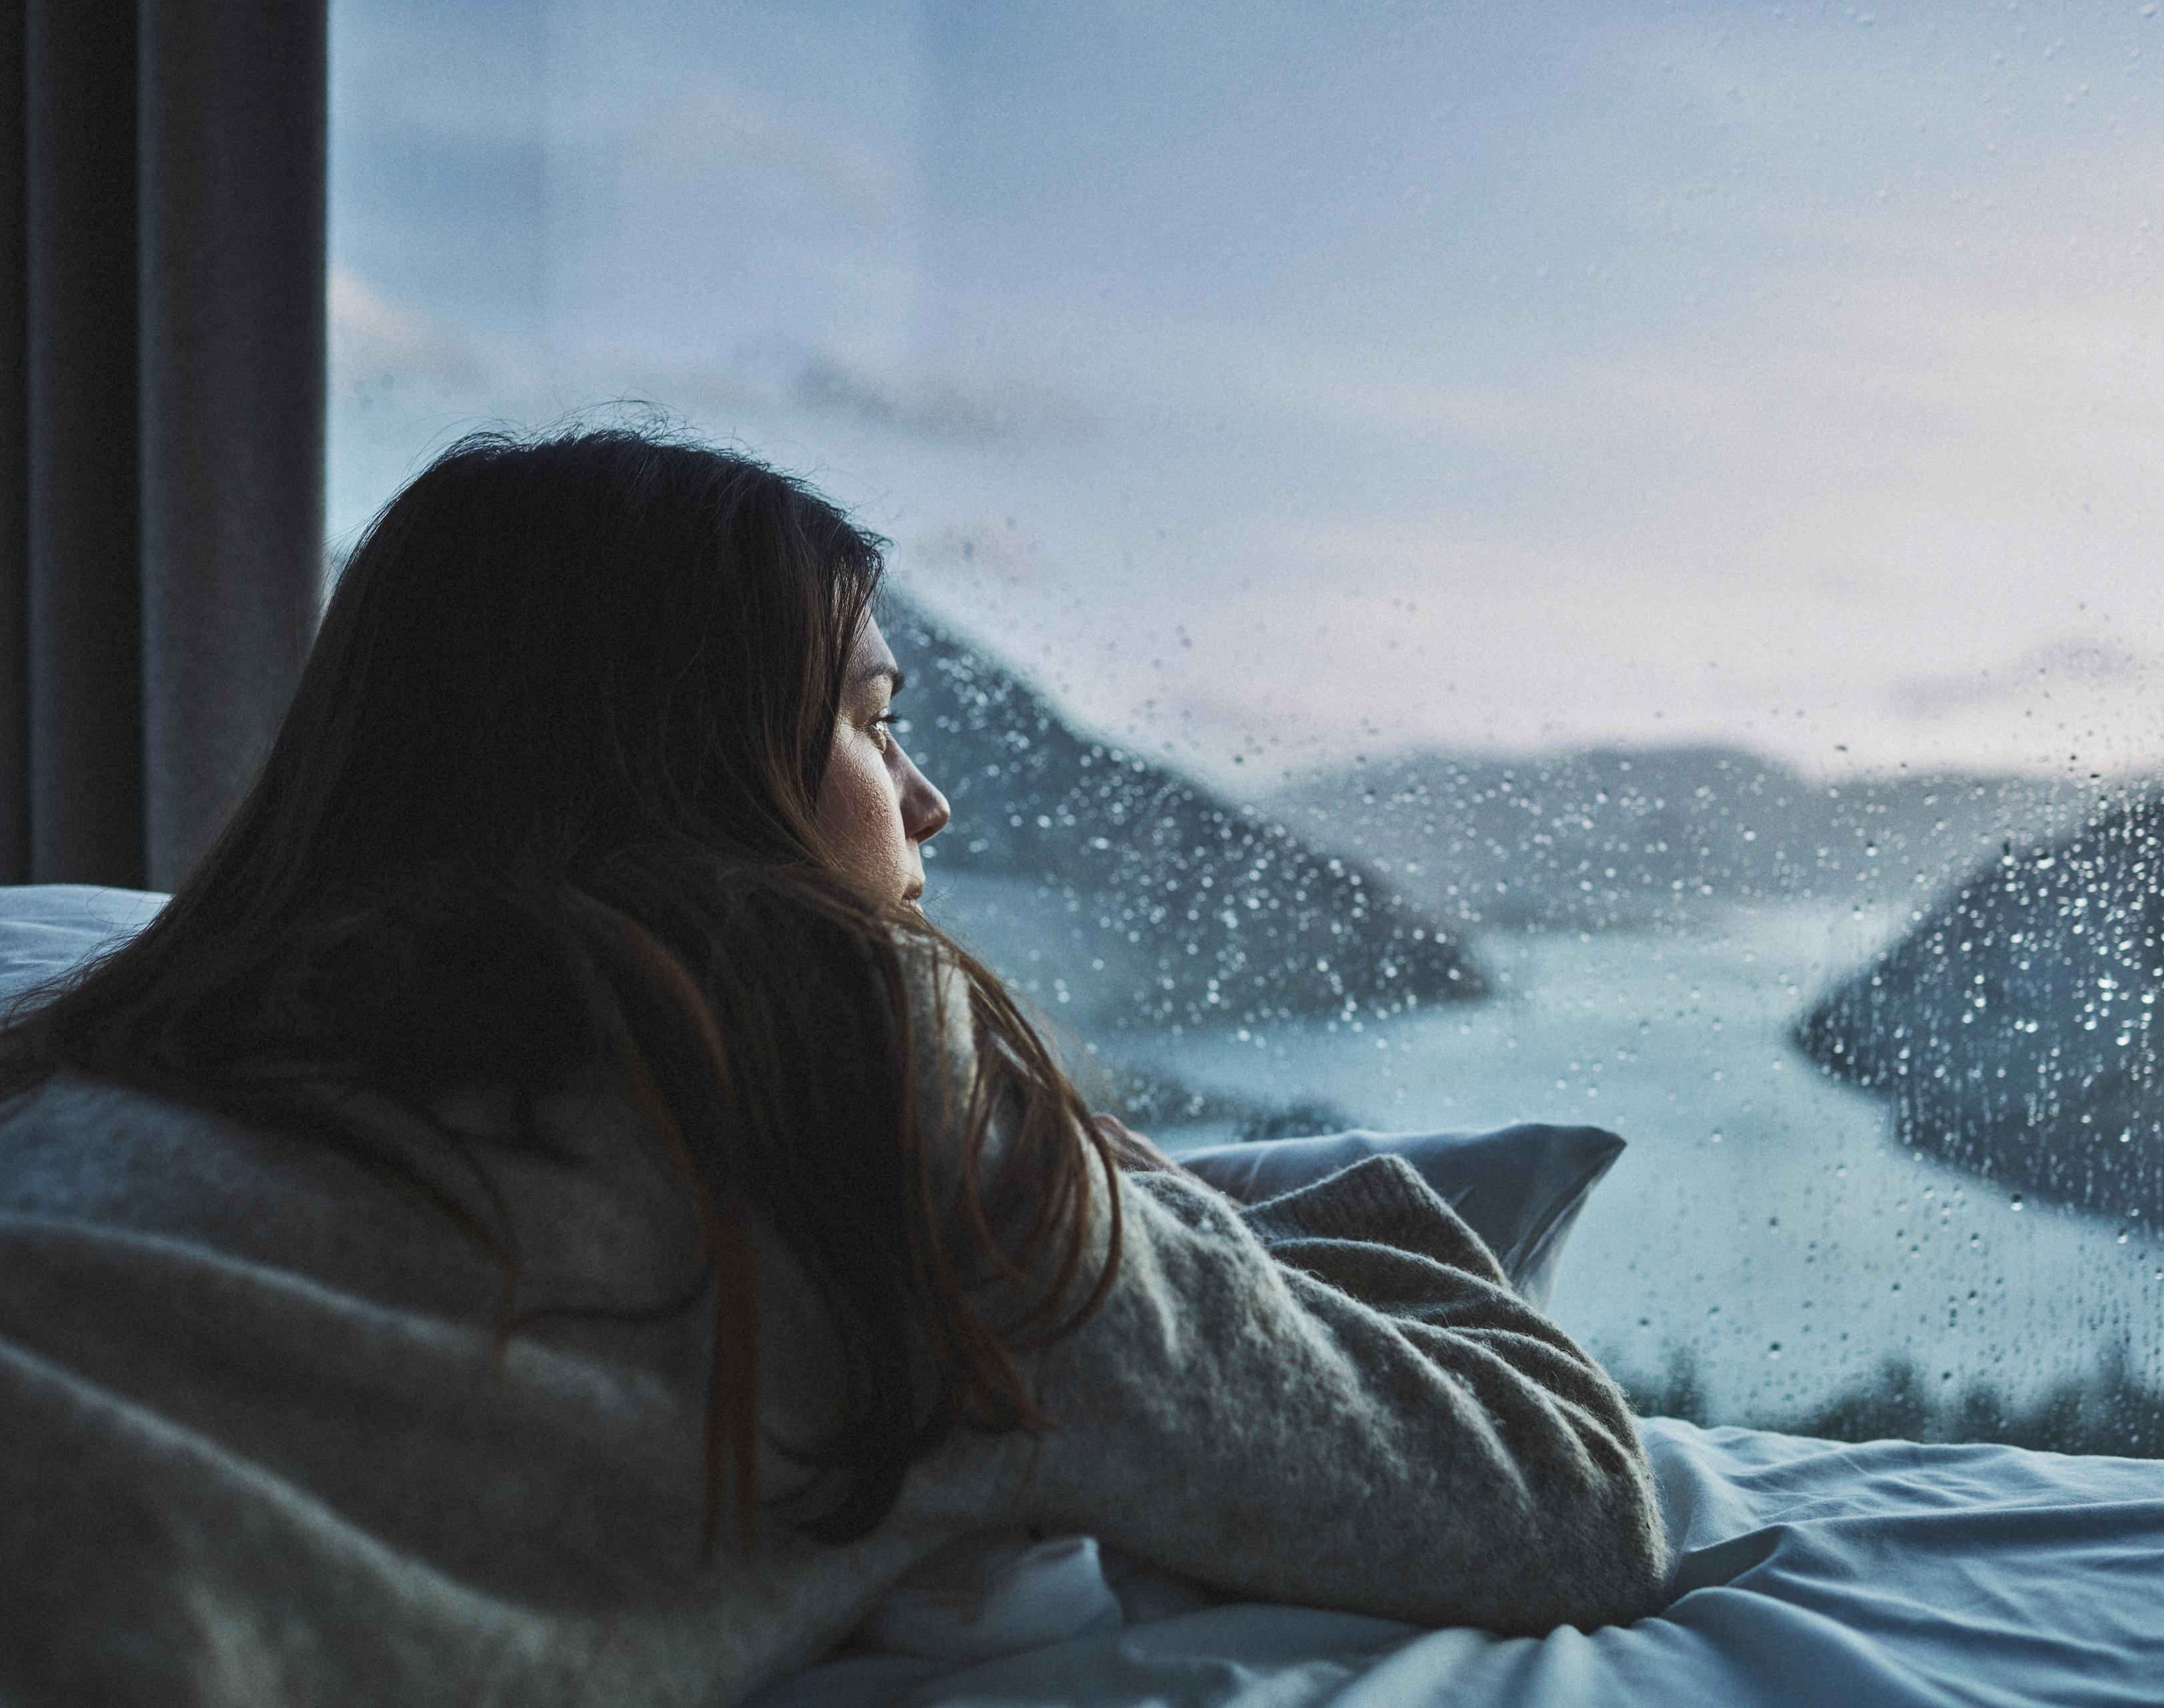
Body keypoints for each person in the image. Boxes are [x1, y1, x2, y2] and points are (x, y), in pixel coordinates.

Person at [0, 428, 1669, 1704]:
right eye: (877, 722)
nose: (926, 800)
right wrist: (1113, 1165)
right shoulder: (850, 1103)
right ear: (689, 766)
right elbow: (1568, 1493)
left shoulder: (130, 1033)